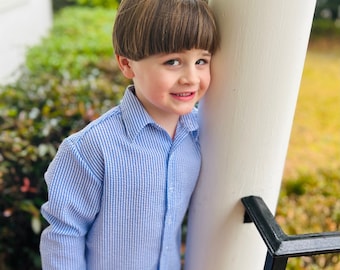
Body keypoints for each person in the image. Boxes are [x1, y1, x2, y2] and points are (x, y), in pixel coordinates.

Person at [40, 0, 219, 269]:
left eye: (201, 60)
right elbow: (64, 234)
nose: (191, 77)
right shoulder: (91, 148)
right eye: (173, 61)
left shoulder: (202, 134)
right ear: (126, 64)